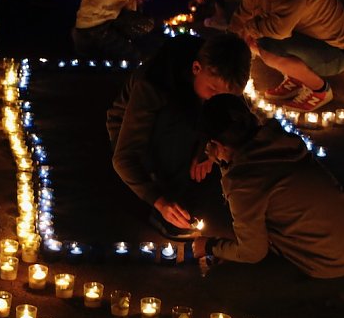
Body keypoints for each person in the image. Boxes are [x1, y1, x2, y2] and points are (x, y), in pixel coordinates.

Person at [191, 93, 344, 311]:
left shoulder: (244, 178)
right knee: (237, 246)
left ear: (216, 144)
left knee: (220, 283)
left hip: (325, 271)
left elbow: (253, 252)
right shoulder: (281, 141)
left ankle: (327, 297)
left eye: (208, 148)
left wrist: (210, 246)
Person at [106, 33, 252, 240]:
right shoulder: (153, 84)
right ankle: (167, 202)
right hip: (138, 131)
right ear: (196, 68)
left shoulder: (221, 74)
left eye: (225, 95)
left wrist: (206, 148)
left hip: (186, 119)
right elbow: (123, 158)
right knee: (177, 134)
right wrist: (160, 201)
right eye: (213, 90)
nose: (216, 98)